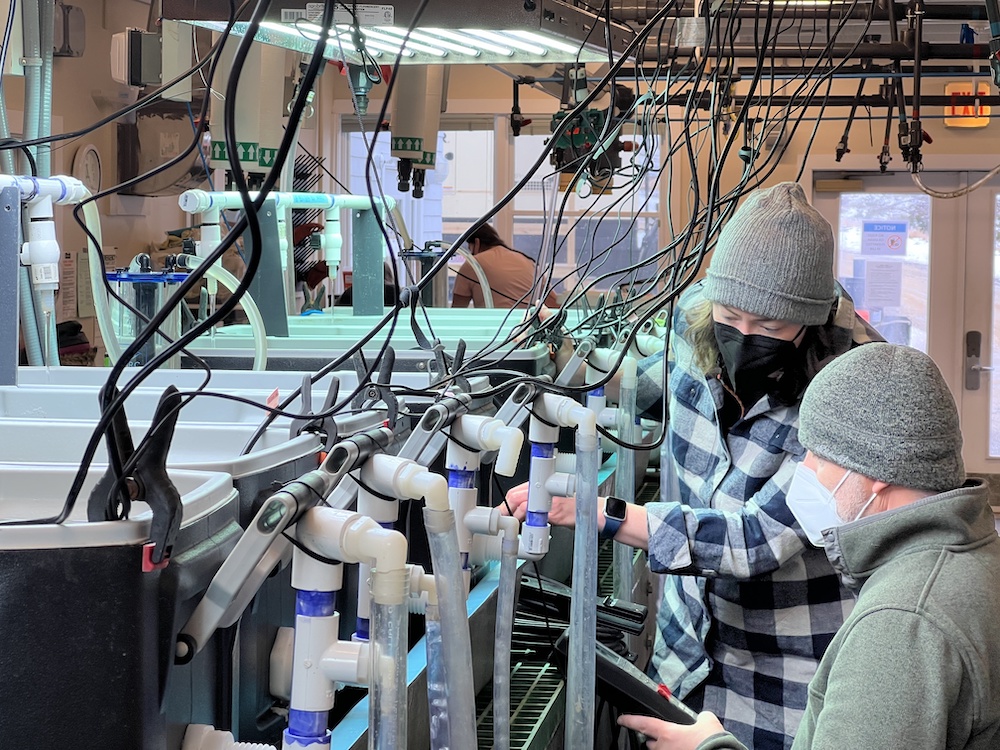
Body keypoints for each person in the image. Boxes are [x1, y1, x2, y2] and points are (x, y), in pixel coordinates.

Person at [504, 182, 881, 749]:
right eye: (731, 316)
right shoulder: (693, 324)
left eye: (771, 328)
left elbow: (755, 540)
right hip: (684, 659)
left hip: (783, 682)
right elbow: (641, 390)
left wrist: (601, 513)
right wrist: (558, 361)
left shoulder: (849, 388)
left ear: (810, 320)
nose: (743, 338)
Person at [618, 343, 1000, 749]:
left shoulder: (901, 624)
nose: (805, 470)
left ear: (876, 473)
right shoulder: (973, 558)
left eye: (817, 456)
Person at [451, 224, 558, 309]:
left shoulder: (473, 264)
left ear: (477, 243)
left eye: (470, 249)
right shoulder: (526, 261)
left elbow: (457, 310)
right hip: (526, 327)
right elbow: (554, 303)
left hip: (494, 328)